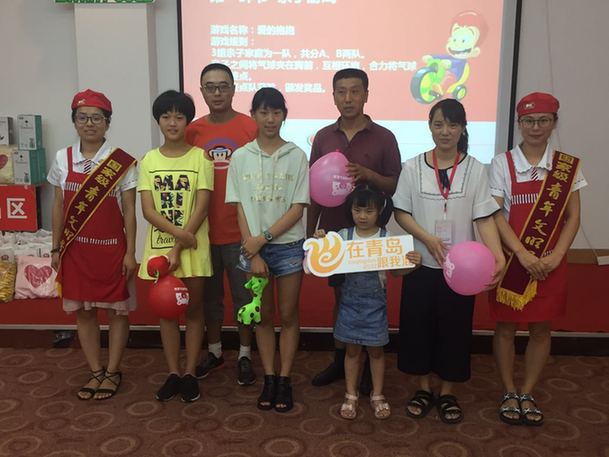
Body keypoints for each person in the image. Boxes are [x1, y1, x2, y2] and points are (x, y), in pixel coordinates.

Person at [393, 99, 505, 424]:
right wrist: (427, 238)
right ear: (430, 126)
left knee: (454, 330)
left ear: (462, 128)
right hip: (420, 264)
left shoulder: (475, 169)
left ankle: (447, 392)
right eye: (439, 124)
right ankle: (423, 388)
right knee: (418, 327)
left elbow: (484, 217)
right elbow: (401, 212)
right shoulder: (412, 167)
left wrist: (498, 255)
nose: (445, 131)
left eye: (453, 125)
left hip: (461, 271)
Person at [489, 92, 586, 426]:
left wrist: (557, 255)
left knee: (542, 329)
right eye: (528, 121)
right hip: (512, 261)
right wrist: (522, 253)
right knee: (505, 328)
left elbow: (573, 216)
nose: (535, 127)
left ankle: (527, 392)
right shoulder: (502, 163)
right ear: (519, 124)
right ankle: (508, 390)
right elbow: (495, 214)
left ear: (554, 123)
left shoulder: (566, 166)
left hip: (550, 263)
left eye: (543, 120)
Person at [307, 68, 402, 390]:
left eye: (354, 91)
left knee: (371, 296)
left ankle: (369, 364)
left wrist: (368, 174)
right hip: (335, 235)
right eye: (341, 92)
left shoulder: (384, 137)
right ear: (333, 96)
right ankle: (342, 359)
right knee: (342, 298)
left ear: (366, 95)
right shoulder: (323, 137)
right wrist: (309, 236)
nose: (348, 98)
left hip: (370, 236)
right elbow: (315, 189)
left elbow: (395, 184)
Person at [48, 89, 137, 400]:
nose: (89, 124)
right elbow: (58, 206)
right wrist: (56, 247)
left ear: (107, 123)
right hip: (76, 250)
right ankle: (96, 371)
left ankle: (113, 371)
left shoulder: (120, 161)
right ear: (74, 121)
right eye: (82, 117)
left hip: (111, 249)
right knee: (84, 313)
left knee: (117, 313)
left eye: (97, 118)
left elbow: (129, 210)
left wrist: (131, 252)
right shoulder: (62, 158)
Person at [226, 87, 309, 413]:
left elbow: (297, 208)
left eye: (276, 112)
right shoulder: (241, 156)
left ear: (284, 116)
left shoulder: (296, 155)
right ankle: (269, 377)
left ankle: (285, 378)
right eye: (263, 112)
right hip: (253, 250)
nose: (270, 119)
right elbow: (239, 207)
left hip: (288, 247)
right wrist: (254, 251)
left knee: (288, 316)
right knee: (262, 316)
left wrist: (262, 239)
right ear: (254, 115)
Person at [314, 184, 421, 420]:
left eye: (369, 211)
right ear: (350, 210)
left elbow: (397, 272)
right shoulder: (343, 236)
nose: (362, 216)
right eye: (357, 210)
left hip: (375, 307)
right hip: (349, 305)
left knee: (376, 352)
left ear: (380, 211)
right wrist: (320, 242)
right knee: (351, 351)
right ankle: (350, 395)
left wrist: (413, 264)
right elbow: (323, 262)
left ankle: (377, 394)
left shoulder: (387, 239)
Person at [138, 90, 213, 403]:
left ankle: (190, 373)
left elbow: (202, 206)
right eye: (166, 116)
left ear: (187, 121)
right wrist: (179, 237)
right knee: (166, 313)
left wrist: (180, 245)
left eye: (179, 117)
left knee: (193, 311)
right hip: (160, 250)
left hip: (193, 249)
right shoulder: (149, 160)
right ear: (158, 121)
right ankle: (172, 372)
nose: (172, 122)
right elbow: (148, 210)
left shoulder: (201, 158)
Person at [185, 63, 258, 386]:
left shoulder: (250, 128)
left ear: (233, 89)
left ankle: (245, 354)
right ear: (202, 91)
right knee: (209, 300)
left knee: (245, 299)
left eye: (223, 86)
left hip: (241, 233)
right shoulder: (192, 131)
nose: (217, 93)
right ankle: (214, 351)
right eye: (210, 87)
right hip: (201, 234)